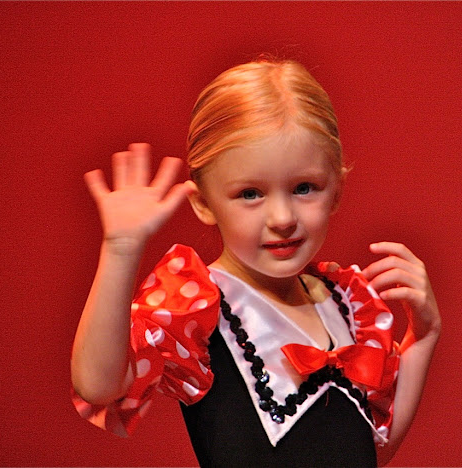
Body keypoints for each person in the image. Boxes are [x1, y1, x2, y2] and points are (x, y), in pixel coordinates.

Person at [71, 59, 441, 467]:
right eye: (250, 194)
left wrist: (423, 336)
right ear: (204, 203)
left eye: (304, 188)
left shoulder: (348, 304)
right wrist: (121, 250)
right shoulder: (196, 305)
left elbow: (371, 451)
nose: (282, 218)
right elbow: (98, 386)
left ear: (336, 189)